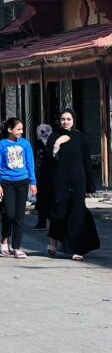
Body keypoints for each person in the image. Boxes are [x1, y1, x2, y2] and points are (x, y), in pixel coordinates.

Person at [46, 109, 100, 261]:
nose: (65, 122)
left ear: (74, 120)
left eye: (68, 119)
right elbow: (49, 159)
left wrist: (90, 186)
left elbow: (86, 162)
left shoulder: (80, 137)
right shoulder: (54, 136)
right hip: (60, 181)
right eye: (63, 119)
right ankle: (53, 238)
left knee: (77, 214)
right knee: (59, 212)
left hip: (78, 181)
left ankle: (77, 248)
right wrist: (57, 144)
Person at [0, 118, 37, 259]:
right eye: (18, 129)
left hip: (22, 182)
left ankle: (17, 247)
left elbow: (30, 163)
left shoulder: (25, 144)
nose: (21, 132)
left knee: (19, 216)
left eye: (22, 129)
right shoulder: (1, 145)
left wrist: (33, 182)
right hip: (6, 182)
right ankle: (4, 238)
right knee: (9, 213)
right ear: (10, 130)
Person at [33, 123, 53, 229]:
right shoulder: (53, 141)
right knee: (48, 199)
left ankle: (42, 223)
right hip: (51, 175)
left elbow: (37, 160)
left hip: (42, 175)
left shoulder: (40, 143)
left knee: (42, 199)